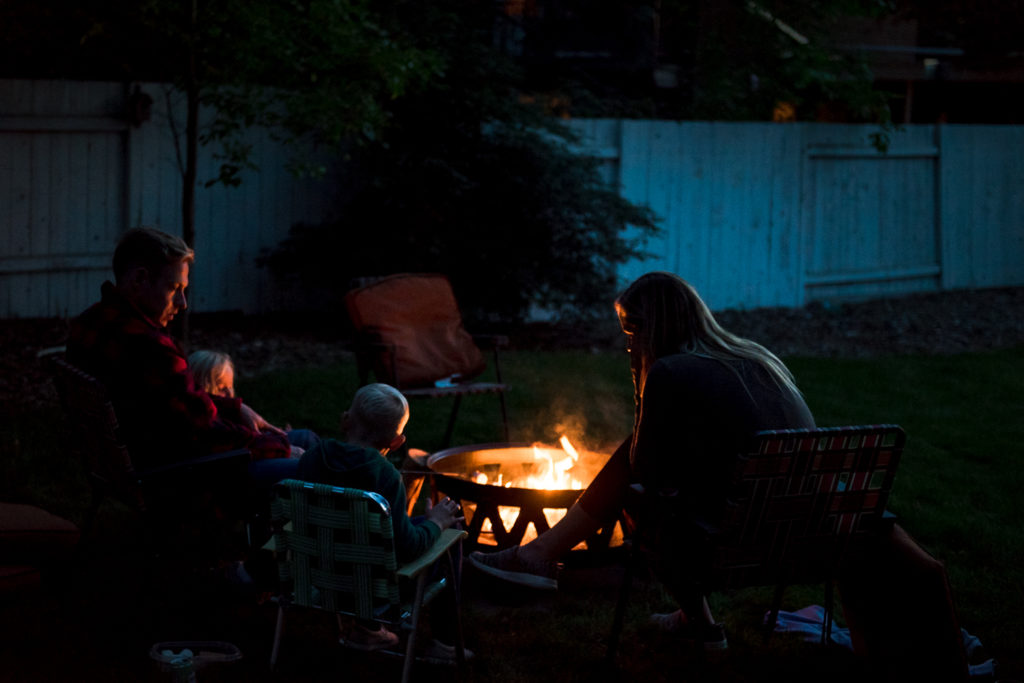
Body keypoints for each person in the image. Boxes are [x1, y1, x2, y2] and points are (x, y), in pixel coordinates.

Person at [469, 271, 816, 649]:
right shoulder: (758, 358)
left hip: (731, 540)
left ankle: (539, 555)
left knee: (640, 498)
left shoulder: (670, 370)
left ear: (649, 328)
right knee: (649, 480)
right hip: (805, 533)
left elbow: (646, 467)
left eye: (629, 333)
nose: (629, 346)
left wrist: (642, 383)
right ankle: (542, 555)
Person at [66, 227, 311, 485]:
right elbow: (205, 436)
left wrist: (235, 408)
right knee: (313, 458)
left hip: (140, 464)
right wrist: (277, 447)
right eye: (174, 288)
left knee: (309, 443)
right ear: (139, 280)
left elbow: (179, 406)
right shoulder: (151, 349)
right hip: (184, 477)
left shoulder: (88, 324)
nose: (183, 303)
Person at [295, 383, 469, 660]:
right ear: (396, 441)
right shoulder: (385, 477)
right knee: (452, 531)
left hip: (316, 577)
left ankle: (366, 629)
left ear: (345, 420)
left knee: (370, 532)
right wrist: (436, 522)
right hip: (378, 594)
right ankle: (445, 643)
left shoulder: (313, 457)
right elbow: (409, 548)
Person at [188, 348, 319, 455]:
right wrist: (283, 447)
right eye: (222, 388)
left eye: (230, 387)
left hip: (253, 445)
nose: (229, 394)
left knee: (306, 437)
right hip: (238, 461)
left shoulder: (230, 412)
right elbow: (238, 441)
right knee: (305, 445)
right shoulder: (204, 418)